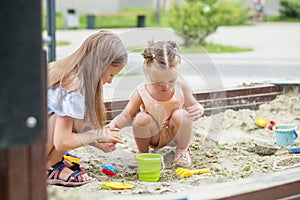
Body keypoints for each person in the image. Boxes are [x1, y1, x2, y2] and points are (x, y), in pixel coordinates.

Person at [46, 30, 128, 186]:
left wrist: (96, 141)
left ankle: (53, 161)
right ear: (100, 65)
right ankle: (49, 167)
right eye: (111, 75)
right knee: (78, 117)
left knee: (75, 117)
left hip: (18, 144)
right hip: (23, 153)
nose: (110, 82)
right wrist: (96, 134)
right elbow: (62, 141)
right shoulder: (74, 87)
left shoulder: (62, 69)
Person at [107, 40, 204, 167]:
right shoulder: (142, 91)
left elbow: (193, 106)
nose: (166, 86)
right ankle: (142, 152)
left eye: (171, 80)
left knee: (182, 115)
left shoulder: (181, 88)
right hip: (153, 135)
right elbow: (126, 115)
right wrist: (113, 125)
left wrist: (199, 109)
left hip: (175, 135)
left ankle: (182, 150)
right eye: (158, 82)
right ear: (147, 74)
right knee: (141, 118)